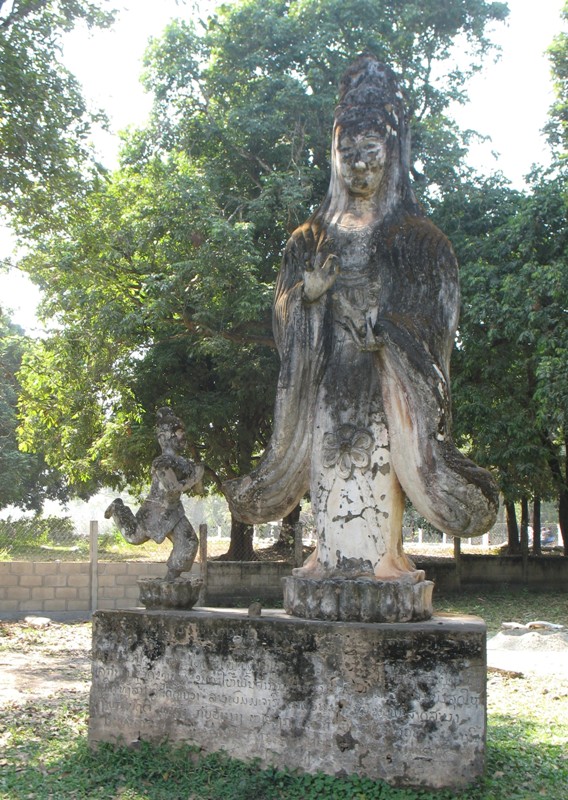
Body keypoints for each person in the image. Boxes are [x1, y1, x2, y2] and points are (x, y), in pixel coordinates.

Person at [224, 56, 498, 581]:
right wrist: (308, 297)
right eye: (347, 154)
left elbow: (436, 315)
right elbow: (284, 320)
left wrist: (389, 334)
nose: (358, 166)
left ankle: (385, 561)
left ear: (391, 156)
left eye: (370, 153)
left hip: (386, 388)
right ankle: (327, 558)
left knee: (376, 472)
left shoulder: (418, 240)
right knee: (332, 464)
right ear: (333, 156)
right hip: (326, 382)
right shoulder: (308, 240)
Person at [105, 408, 204, 581]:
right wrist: (195, 477)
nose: (183, 436)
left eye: (183, 432)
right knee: (134, 537)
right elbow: (172, 488)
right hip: (155, 510)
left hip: (174, 510)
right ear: (164, 438)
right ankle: (118, 508)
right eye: (179, 432)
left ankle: (170, 580)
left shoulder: (185, 463)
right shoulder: (161, 463)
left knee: (189, 543)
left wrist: (197, 476)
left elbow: (198, 490)